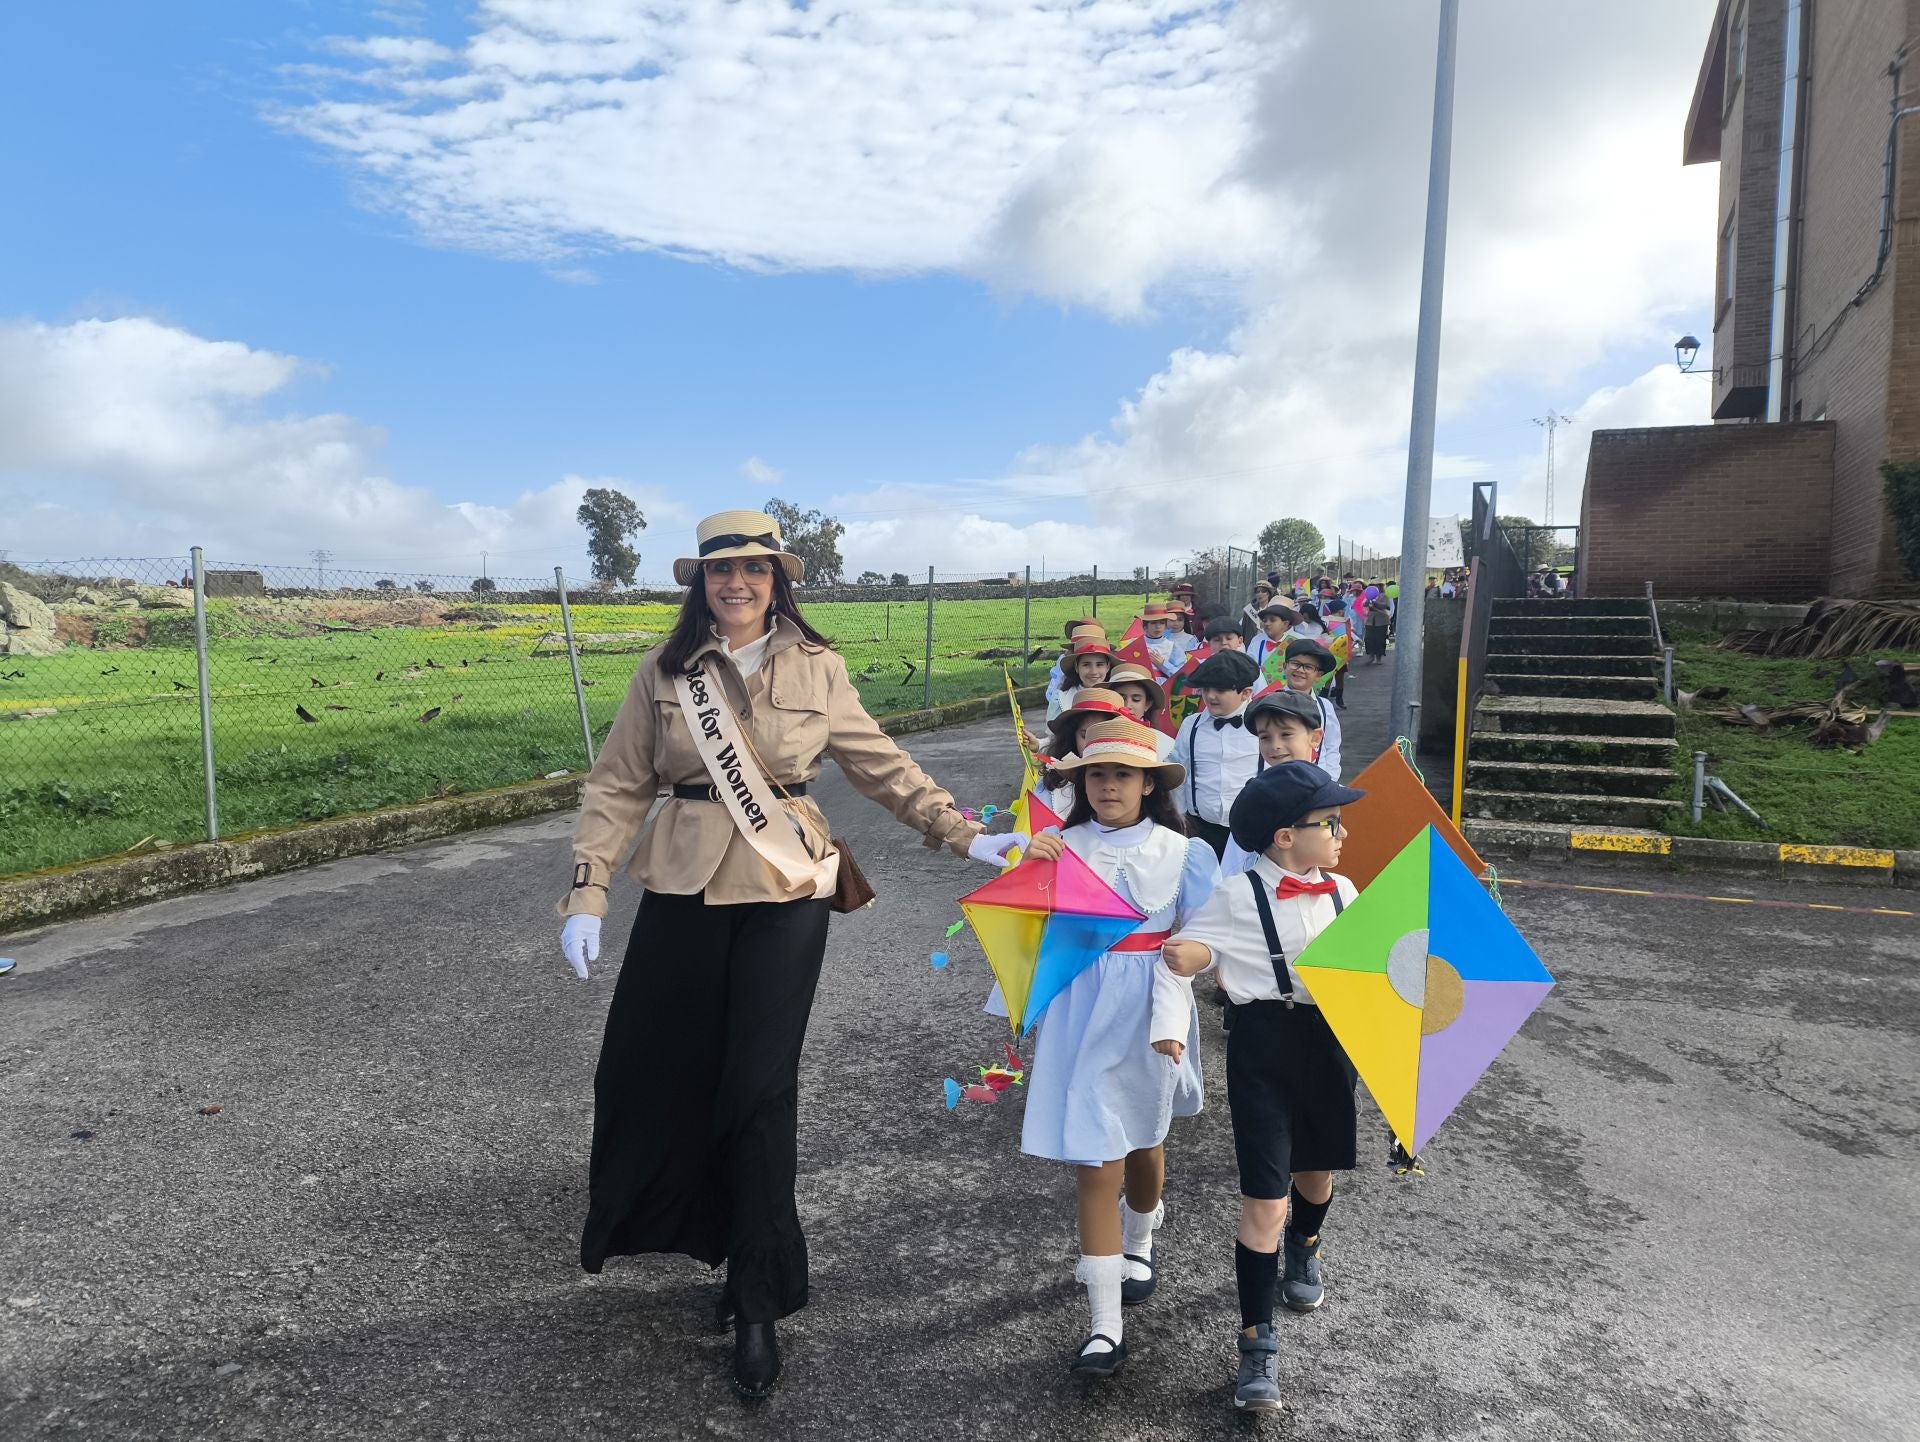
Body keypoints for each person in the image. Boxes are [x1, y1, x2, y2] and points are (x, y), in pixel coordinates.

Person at [553, 509, 1020, 1399]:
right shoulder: (665, 672)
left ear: (778, 581)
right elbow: (617, 785)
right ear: (701, 584)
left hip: (786, 891)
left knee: (759, 1087)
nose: (737, 585)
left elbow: (880, 764)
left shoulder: (820, 666)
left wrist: (962, 834)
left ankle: (758, 1294)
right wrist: (588, 891)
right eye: (720, 573)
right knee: (656, 1070)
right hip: (682, 887)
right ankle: (697, 1232)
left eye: (755, 572)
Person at [1015, 717, 1220, 1379]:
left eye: (1122, 774)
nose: (1108, 785)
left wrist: (1203, 956)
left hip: (1152, 1008)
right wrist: (1026, 872)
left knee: (1144, 1146)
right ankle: (1105, 1327)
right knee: (1095, 1160)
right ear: (1079, 782)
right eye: (1096, 774)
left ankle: (1142, 1235)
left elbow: (1213, 935)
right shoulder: (1057, 845)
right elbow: (1022, 938)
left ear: (1148, 783)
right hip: (1082, 1008)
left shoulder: (1182, 851)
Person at [1161, 761, 1368, 1413]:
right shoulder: (1238, 894)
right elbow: (1192, 946)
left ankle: (1305, 1248)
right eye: (1328, 821)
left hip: (1331, 1043)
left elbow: (1373, 970)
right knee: (1264, 1199)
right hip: (1262, 1048)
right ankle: (1258, 1348)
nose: (1341, 831)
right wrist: (1188, 956)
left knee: (1317, 1172)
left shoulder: (1345, 890)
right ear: (1285, 836)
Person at [1170, 649, 1262, 860]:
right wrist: (1180, 816)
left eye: (1220, 690)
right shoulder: (1191, 726)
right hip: (1200, 827)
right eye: (1206, 689)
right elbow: (1179, 773)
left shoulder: (1262, 725)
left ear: (1246, 693)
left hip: (1249, 828)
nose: (1210, 696)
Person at [1279, 640, 1342, 781]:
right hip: (1280, 779)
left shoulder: (1325, 706)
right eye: (1295, 664)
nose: (1300, 670)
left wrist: (1330, 778)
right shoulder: (1271, 701)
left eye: (1308, 667)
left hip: (1317, 780)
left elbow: (1332, 745)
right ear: (1285, 666)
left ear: (1318, 675)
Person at [1105, 661, 1178, 758]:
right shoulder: (1092, 736)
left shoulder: (1165, 745)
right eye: (1121, 698)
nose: (1127, 705)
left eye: (1136, 700)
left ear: (1147, 705)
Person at [1048, 633, 1115, 721]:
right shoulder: (1061, 699)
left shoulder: (1117, 696)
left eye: (1099, 665)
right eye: (1086, 664)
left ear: (1108, 667)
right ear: (1077, 667)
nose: (1093, 672)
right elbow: (1053, 734)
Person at [1248, 603, 1296, 682]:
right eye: (1264, 620)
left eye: (1272, 620)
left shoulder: (1294, 642)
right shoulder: (1257, 641)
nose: (1267, 623)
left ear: (1285, 624)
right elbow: (1249, 664)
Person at [1364, 592, 1392, 664]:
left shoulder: (1384, 596)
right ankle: (1371, 656)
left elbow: (1386, 606)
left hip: (1381, 620)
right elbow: (1364, 604)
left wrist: (1375, 604)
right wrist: (1368, 602)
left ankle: (1378, 658)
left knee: (1380, 640)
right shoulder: (1368, 595)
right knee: (1368, 638)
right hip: (1370, 620)